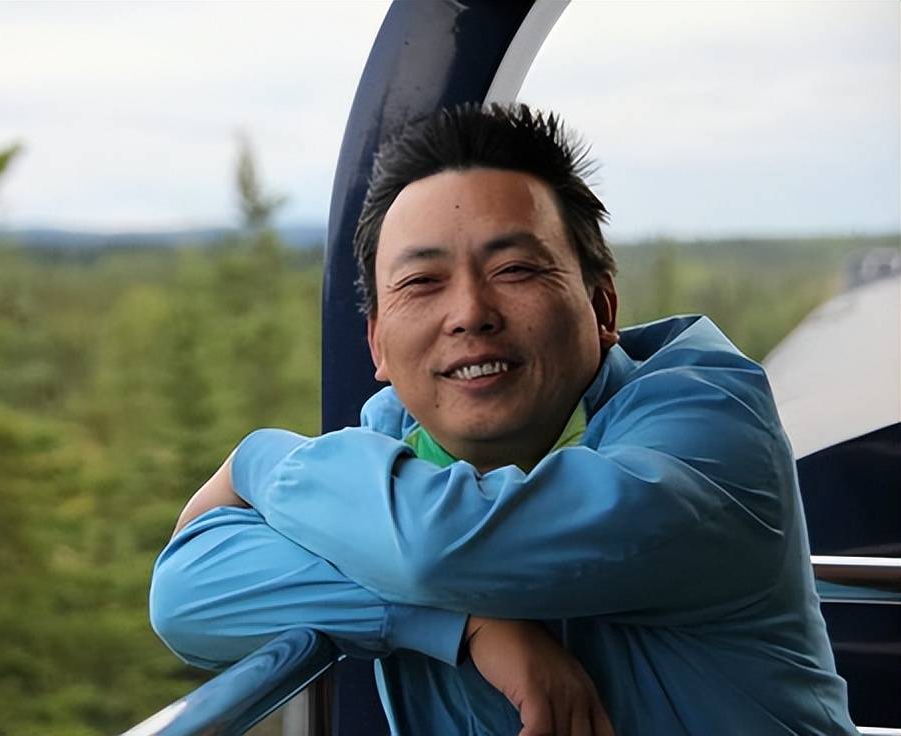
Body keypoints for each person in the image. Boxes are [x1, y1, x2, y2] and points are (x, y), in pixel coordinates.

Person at [150, 103, 856, 735]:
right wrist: (462, 625)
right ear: (378, 346)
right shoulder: (392, 444)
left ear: (602, 307)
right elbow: (188, 594)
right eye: (422, 282)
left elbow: (437, 545)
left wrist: (258, 459)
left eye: (515, 269)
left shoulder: (708, 428)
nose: (470, 314)